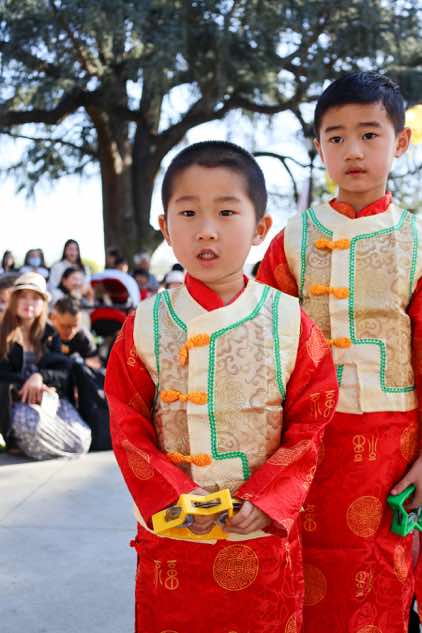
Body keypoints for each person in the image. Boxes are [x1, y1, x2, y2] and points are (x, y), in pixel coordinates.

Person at [105, 140, 338, 632]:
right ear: (165, 226)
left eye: (227, 212)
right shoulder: (143, 323)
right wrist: (172, 495)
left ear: (260, 228)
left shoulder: (290, 321)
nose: (206, 230)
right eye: (188, 213)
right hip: (173, 537)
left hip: (259, 535)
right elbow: (126, 423)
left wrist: (267, 499)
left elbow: (312, 422)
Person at [257, 71, 422, 632]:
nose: (353, 150)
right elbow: (264, 348)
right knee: (299, 574)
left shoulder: (416, 241)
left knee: (380, 570)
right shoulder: (291, 239)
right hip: (306, 442)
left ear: (400, 142)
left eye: (369, 134)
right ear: (318, 145)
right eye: (336, 136)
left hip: (392, 445)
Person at [0, 272, 91, 458]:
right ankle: (24, 441)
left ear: (43, 304)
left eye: (35, 298)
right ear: (14, 300)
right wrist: (27, 383)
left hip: (48, 397)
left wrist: (40, 377)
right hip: (15, 400)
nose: (29, 303)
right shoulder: (2, 332)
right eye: (23, 296)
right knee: (32, 425)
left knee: (82, 439)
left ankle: (38, 445)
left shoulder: (50, 334)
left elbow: (63, 370)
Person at [50, 296, 111, 451]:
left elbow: (95, 365)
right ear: (54, 317)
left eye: (74, 326)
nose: (70, 331)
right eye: (65, 326)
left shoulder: (82, 337)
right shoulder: (46, 335)